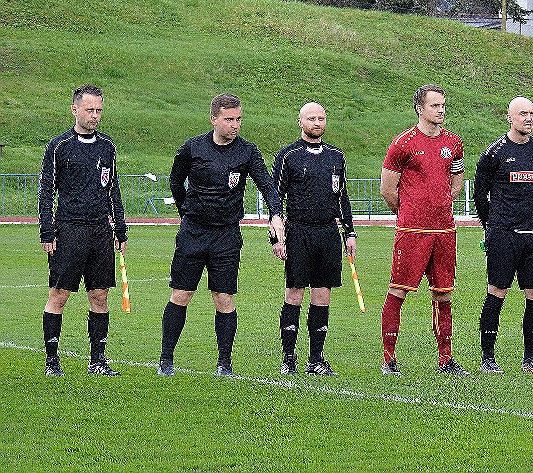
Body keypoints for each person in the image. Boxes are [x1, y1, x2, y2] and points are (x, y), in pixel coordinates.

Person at [157, 93, 285, 377]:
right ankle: (166, 360)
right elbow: (175, 182)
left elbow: (267, 185)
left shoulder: (247, 152)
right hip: (193, 232)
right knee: (181, 293)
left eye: (239, 119)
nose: (235, 125)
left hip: (226, 235)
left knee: (224, 298)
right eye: (229, 119)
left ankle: (224, 364)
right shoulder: (192, 148)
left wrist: (276, 214)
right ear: (214, 119)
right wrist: (186, 211)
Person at [38, 84, 127, 376]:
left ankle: (98, 361)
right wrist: (47, 231)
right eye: (90, 110)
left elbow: (113, 188)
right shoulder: (59, 146)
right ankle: (52, 361)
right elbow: (46, 192)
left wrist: (120, 228)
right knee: (59, 295)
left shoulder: (108, 146)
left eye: (99, 110)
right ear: (75, 110)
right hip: (69, 230)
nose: (95, 115)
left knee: (100, 296)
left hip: (100, 231)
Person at [379, 84, 467, 376]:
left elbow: (456, 183)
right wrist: (408, 211)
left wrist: (439, 203)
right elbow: (387, 189)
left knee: (443, 294)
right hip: (412, 230)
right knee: (399, 291)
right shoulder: (402, 143)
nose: (441, 110)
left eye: (443, 105)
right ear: (420, 109)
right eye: (435, 106)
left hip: (444, 229)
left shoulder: (454, 143)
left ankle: (446, 360)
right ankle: (389, 359)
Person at [271, 102, 356, 376]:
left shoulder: (336, 156)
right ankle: (288, 358)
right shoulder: (288, 156)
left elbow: (341, 196)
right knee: (295, 292)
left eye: (321, 118)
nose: (317, 123)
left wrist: (349, 232)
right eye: (311, 118)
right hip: (298, 231)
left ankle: (316, 359)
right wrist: (276, 237)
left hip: (327, 233)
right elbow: (276, 199)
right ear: (300, 122)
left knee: (322, 294)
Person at [473, 97, 533, 374]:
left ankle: (530, 359)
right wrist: (492, 225)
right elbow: (480, 196)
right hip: (503, 234)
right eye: (522, 114)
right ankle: (488, 358)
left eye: (532, 113)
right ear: (509, 117)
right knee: (497, 291)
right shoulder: (493, 153)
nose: (528, 118)